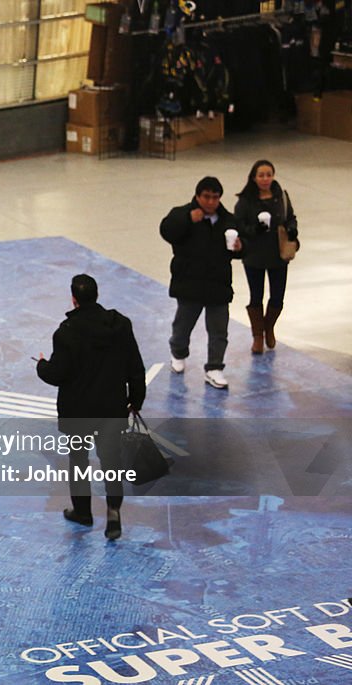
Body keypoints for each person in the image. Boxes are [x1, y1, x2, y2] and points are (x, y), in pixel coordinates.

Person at [36, 275, 146, 540]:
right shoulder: (120, 325)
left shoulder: (66, 333)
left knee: (79, 461)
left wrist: (41, 365)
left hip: (78, 412)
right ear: (97, 295)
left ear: (73, 299)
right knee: (111, 462)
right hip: (111, 408)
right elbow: (135, 365)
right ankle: (113, 516)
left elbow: (57, 374)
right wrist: (136, 399)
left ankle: (83, 512)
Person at [159, 176, 242, 390]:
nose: (211, 202)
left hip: (218, 285)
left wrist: (241, 248)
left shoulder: (228, 220)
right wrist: (188, 219)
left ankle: (215, 368)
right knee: (182, 326)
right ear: (198, 196)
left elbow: (241, 248)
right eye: (206, 197)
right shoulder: (182, 213)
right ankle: (178, 352)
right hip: (190, 284)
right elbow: (167, 231)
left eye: (215, 197)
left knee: (218, 331)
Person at [233, 159, 298, 354]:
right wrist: (254, 230)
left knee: (277, 296)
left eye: (269, 174)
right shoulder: (245, 201)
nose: (265, 179)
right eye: (261, 175)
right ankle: (257, 335)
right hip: (254, 255)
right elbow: (238, 225)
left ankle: (269, 326)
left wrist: (292, 228)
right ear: (253, 178)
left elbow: (291, 217)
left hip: (278, 254)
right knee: (256, 296)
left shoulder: (281, 197)